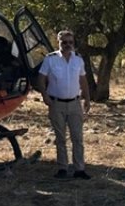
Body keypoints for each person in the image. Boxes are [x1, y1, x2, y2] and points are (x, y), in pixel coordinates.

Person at [37, 30, 92, 179]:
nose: (68, 45)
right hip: (56, 103)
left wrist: (87, 99)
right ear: (58, 42)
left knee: (77, 138)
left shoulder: (78, 60)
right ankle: (62, 168)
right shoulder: (50, 59)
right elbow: (41, 79)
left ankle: (79, 169)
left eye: (70, 42)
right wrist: (44, 96)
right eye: (64, 42)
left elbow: (83, 81)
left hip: (74, 103)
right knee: (60, 137)